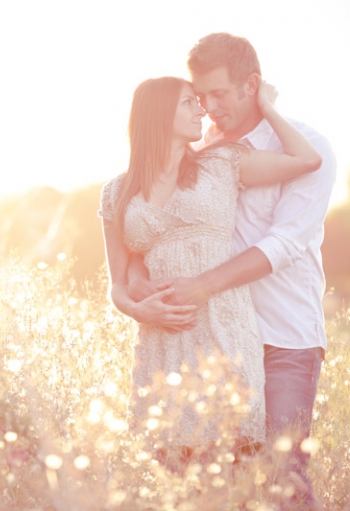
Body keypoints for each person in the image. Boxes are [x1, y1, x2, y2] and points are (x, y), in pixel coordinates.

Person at [127, 33, 337, 502]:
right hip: (214, 339)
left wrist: (200, 286)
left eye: (219, 93)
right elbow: (154, 235)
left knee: (284, 478)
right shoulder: (199, 153)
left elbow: (284, 244)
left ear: (251, 86)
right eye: (200, 96)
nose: (209, 107)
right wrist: (140, 291)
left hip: (283, 338)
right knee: (218, 485)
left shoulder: (306, 146)